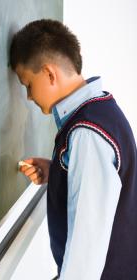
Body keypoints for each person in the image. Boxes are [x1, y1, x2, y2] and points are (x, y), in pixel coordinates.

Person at [9, 19, 137, 280]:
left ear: (49, 74)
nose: (29, 98)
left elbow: (85, 252)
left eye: (28, 85)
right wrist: (59, 171)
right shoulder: (100, 111)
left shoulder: (86, 134)